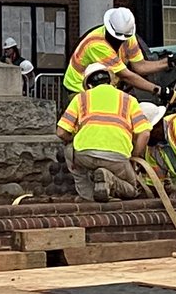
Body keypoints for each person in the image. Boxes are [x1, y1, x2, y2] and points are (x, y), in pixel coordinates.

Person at [55, 62, 151, 202]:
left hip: (84, 155)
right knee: (132, 189)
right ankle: (109, 179)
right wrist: (133, 157)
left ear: (88, 85)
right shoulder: (128, 100)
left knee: (69, 150)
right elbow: (145, 133)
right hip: (117, 158)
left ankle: (87, 196)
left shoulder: (81, 98)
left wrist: (75, 139)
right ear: (111, 80)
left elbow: (61, 132)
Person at [62, 7, 172, 96]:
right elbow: (126, 76)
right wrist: (158, 90)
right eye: (118, 37)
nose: (121, 40)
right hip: (78, 88)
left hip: (100, 87)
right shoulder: (96, 44)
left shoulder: (129, 37)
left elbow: (140, 66)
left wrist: (168, 62)